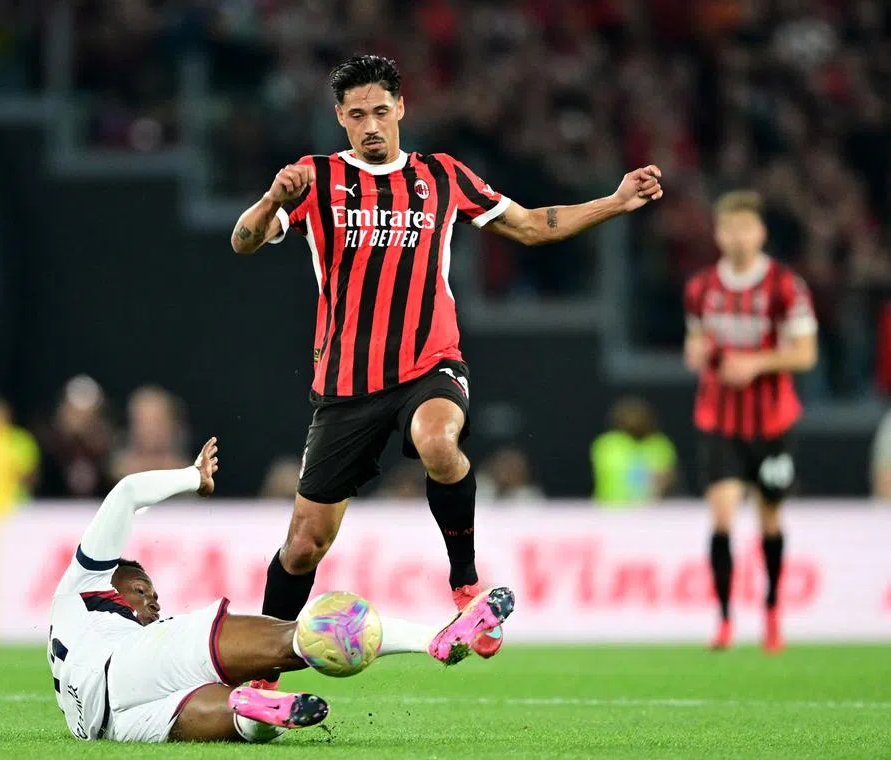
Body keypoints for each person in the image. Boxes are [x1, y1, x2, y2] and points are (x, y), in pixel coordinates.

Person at [230, 54, 662, 673]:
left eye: (382, 110)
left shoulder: (443, 176)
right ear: (340, 119)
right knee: (303, 546)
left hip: (428, 365)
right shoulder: (314, 179)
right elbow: (244, 240)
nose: (372, 125)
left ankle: (465, 588)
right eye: (358, 115)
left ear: (401, 108)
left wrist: (615, 202)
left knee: (437, 440)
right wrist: (272, 198)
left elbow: (533, 226)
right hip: (346, 386)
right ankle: (260, 675)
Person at [49, 437, 515, 744]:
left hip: (107, 724)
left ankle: (254, 713)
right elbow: (127, 492)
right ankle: (433, 638)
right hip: (125, 668)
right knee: (295, 637)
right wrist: (195, 478)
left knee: (229, 718)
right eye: (141, 588)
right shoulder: (83, 584)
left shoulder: (81, 634)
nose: (153, 599)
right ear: (113, 577)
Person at [683, 190, 818, 652]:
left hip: (773, 422)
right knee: (721, 516)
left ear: (760, 232)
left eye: (746, 227)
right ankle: (723, 620)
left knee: (769, 518)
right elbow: (695, 348)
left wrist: (756, 364)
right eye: (729, 228)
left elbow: (805, 353)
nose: (738, 237)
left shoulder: (784, 286)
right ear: (719, 234)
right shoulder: (702, 288)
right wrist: (699, 355)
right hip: (719, 420)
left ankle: (773, 610)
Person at [590, 396, 677, 506]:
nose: (634, 420)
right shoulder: (607, 444)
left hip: (650, 512)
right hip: (609, 509)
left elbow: (665, 480)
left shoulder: (659, 444)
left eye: (638, 416)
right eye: (629, 416)